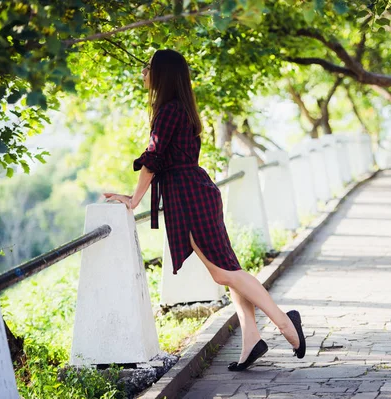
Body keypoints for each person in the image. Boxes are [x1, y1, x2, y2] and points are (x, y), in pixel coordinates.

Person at [104, 49, 305, 371]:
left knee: (222, 272)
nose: (144, 74)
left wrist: (134, 200)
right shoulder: (180, 107)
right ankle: (252, 338)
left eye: (149, 69)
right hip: (192, 191)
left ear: (162, 75)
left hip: (189, 195)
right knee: (229, 270)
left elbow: (152, 159)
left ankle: (285, 323)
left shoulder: (169, 110)